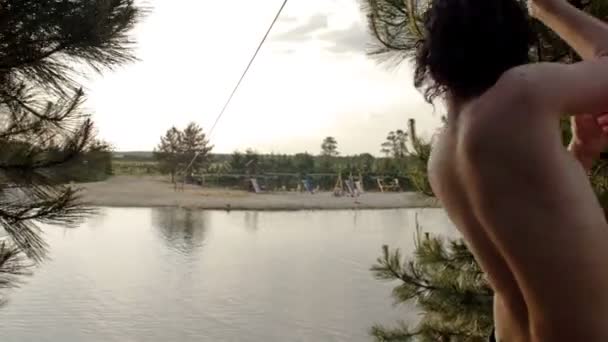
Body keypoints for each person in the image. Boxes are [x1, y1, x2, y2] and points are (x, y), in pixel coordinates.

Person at [423, 0, 608, 340]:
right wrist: (546, 5)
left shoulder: (442, 152)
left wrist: (581, 152)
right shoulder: (522, 90)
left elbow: (540, 226)